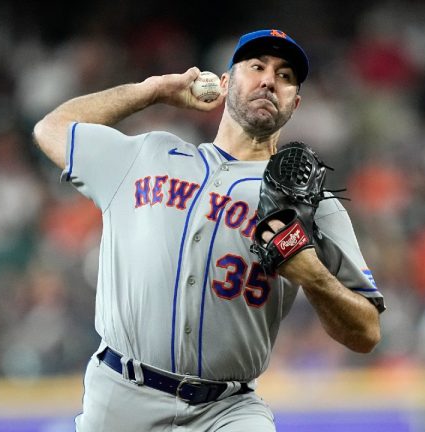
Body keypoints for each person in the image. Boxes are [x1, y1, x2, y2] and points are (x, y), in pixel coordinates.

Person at [32, 28, 385, 432]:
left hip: (227, 411)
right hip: (120, 397)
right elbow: (51, 129)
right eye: (256, 67)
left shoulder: (310, 204)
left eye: (286, 76)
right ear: (224, 82)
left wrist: (314, 277)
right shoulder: (149, 154)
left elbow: (366, 332)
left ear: (295, 102)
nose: (270, 80)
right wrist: (150, 91)